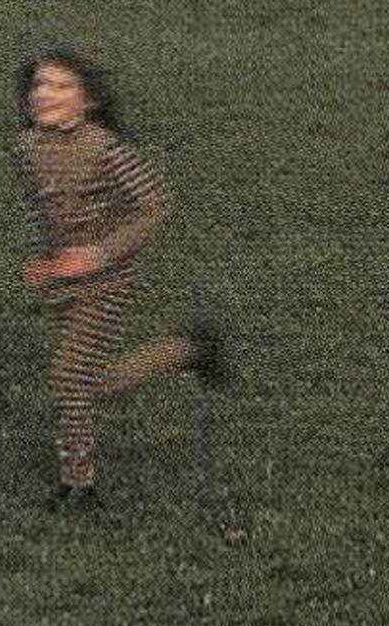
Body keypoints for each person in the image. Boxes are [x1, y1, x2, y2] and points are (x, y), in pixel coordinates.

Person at [14, 50, 229, 508]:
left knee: (69, 378)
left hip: (108, 283)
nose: (45, 94)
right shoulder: (29, 148)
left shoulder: (106, 151)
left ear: (88, 100)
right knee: (97, 382)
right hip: (63, 284)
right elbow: (51, 214)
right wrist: (46, 261)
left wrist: (101, 253)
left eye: (60, 86)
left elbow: (157, 206)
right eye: (39, 84)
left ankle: (78, 485)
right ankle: (189, 349)